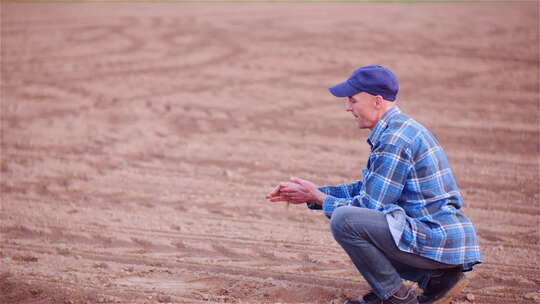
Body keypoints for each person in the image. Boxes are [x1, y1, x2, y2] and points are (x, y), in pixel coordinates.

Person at [266, 65, 482, 304]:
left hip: (434, 237)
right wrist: (313, 194)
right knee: (355, 219)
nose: (348, 108)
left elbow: (369, 207)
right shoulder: (399, 129)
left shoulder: (394, 139)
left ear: (377, 101)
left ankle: (395, 297)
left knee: (346, 221)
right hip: (436, 236)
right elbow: (370, 189)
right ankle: (437, 278)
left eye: (353, 100)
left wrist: (321, 199)